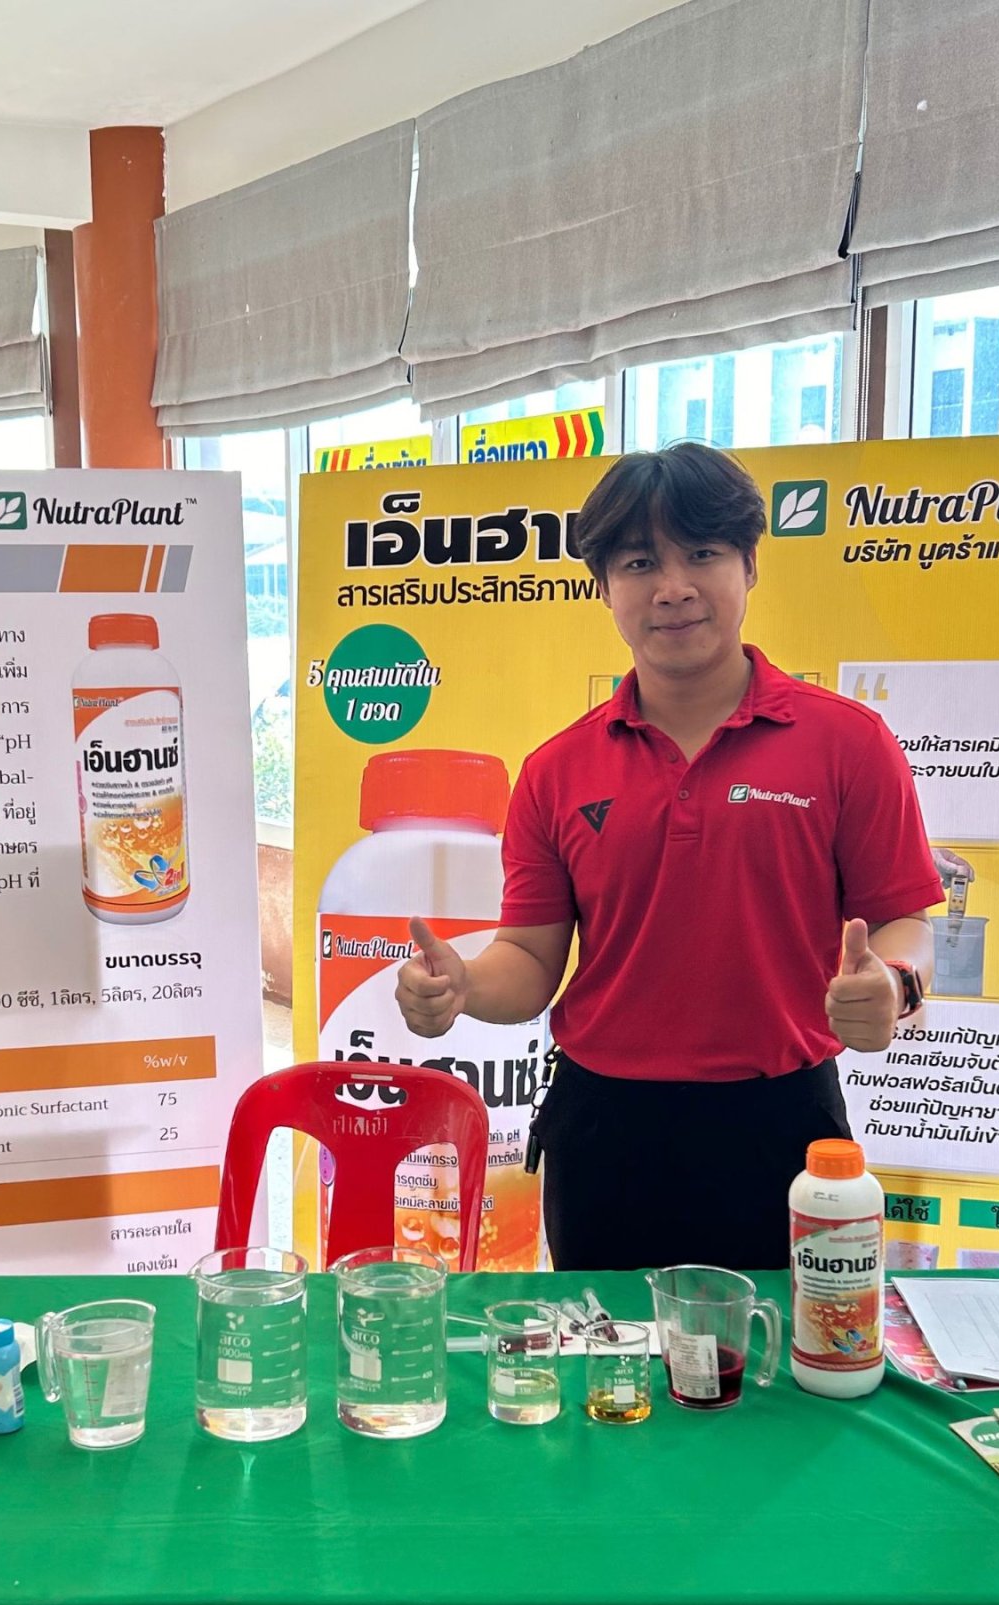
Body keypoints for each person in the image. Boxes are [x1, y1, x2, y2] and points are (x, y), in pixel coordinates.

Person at [394, 442, 942, 1271]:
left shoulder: (847, 743)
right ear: (604, 587)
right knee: (607, 1353)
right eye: (640, 562)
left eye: (703, 553)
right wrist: (465, 985)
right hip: (605, 1133)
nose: (673, 587)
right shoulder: (556, 770)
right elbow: (531, 961)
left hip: (781, 1127)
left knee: (789, 1347)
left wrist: (895, 986)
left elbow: (906, 920)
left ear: (750, 566)